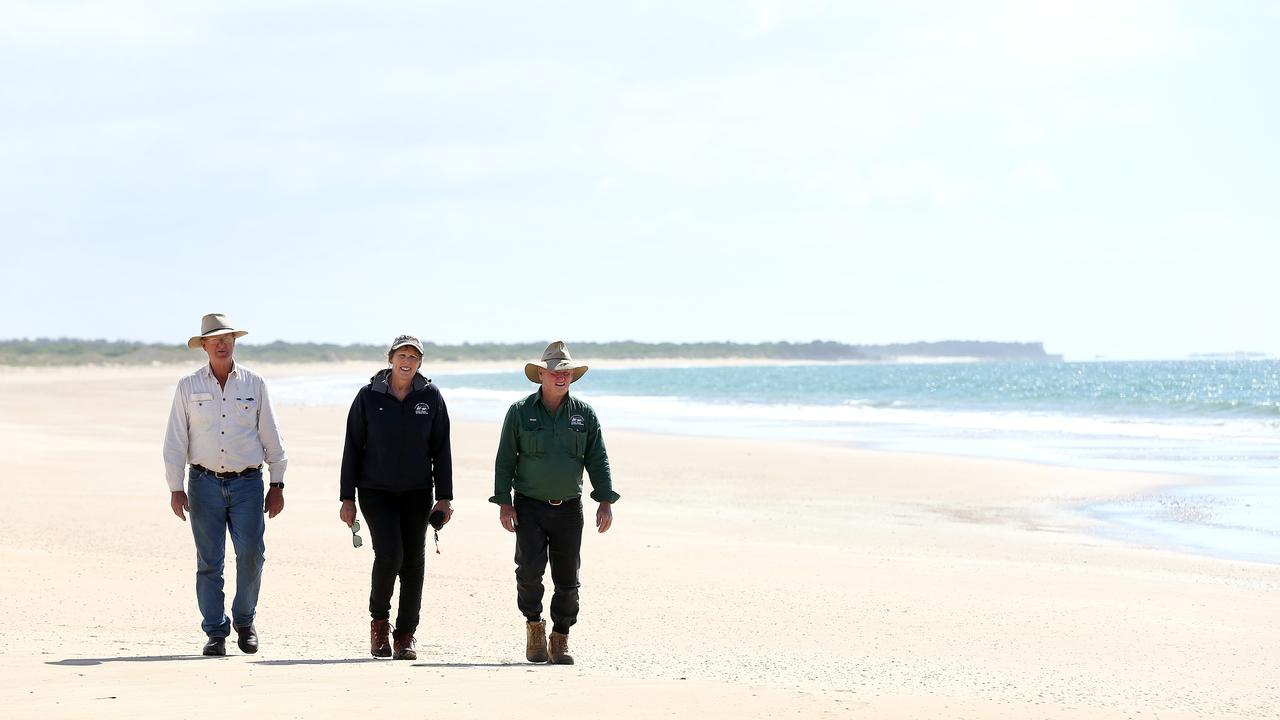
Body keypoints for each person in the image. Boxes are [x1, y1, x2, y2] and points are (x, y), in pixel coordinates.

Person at [162, 313, 288, 657]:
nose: (222, 344)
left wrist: (277, 483)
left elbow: (271, 435)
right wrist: (176, 486)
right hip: (202, 483)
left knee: (252, 556)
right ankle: (216, 632)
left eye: (227, 338)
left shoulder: (254, 383)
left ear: (234, 342)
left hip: (248, 483)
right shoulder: (188, 386)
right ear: (203, 345)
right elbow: (175, 439)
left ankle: (245, 622)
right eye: (215, 339)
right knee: (209, 561)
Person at [491, 340, 619, 665]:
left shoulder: (584, 415)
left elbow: (598, 458)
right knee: (529, 571)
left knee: (567, 578)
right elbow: (505, 458)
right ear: (541, 375)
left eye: (567, 372)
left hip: (569, 508)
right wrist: (504, 502)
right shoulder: (519, 412)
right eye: (555, 371)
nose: (561, 377)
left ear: (573, 376)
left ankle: (560, 636)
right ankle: (534, 626)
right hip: (529, 506)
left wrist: (604, 499)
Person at [340, 335, 453, 660]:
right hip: (375, 490)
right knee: (390, 555)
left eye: (414, 357)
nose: (407, 361)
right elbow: (352, 447)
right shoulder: (368, 397)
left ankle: (405, 635)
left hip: (418, 491)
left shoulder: (430, 397)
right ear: (391, 358)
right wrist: (347, 497)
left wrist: (444, 497)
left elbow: (441, 448)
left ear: (420, 363)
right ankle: (379, 625)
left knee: (414, 562)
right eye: (402, 355)